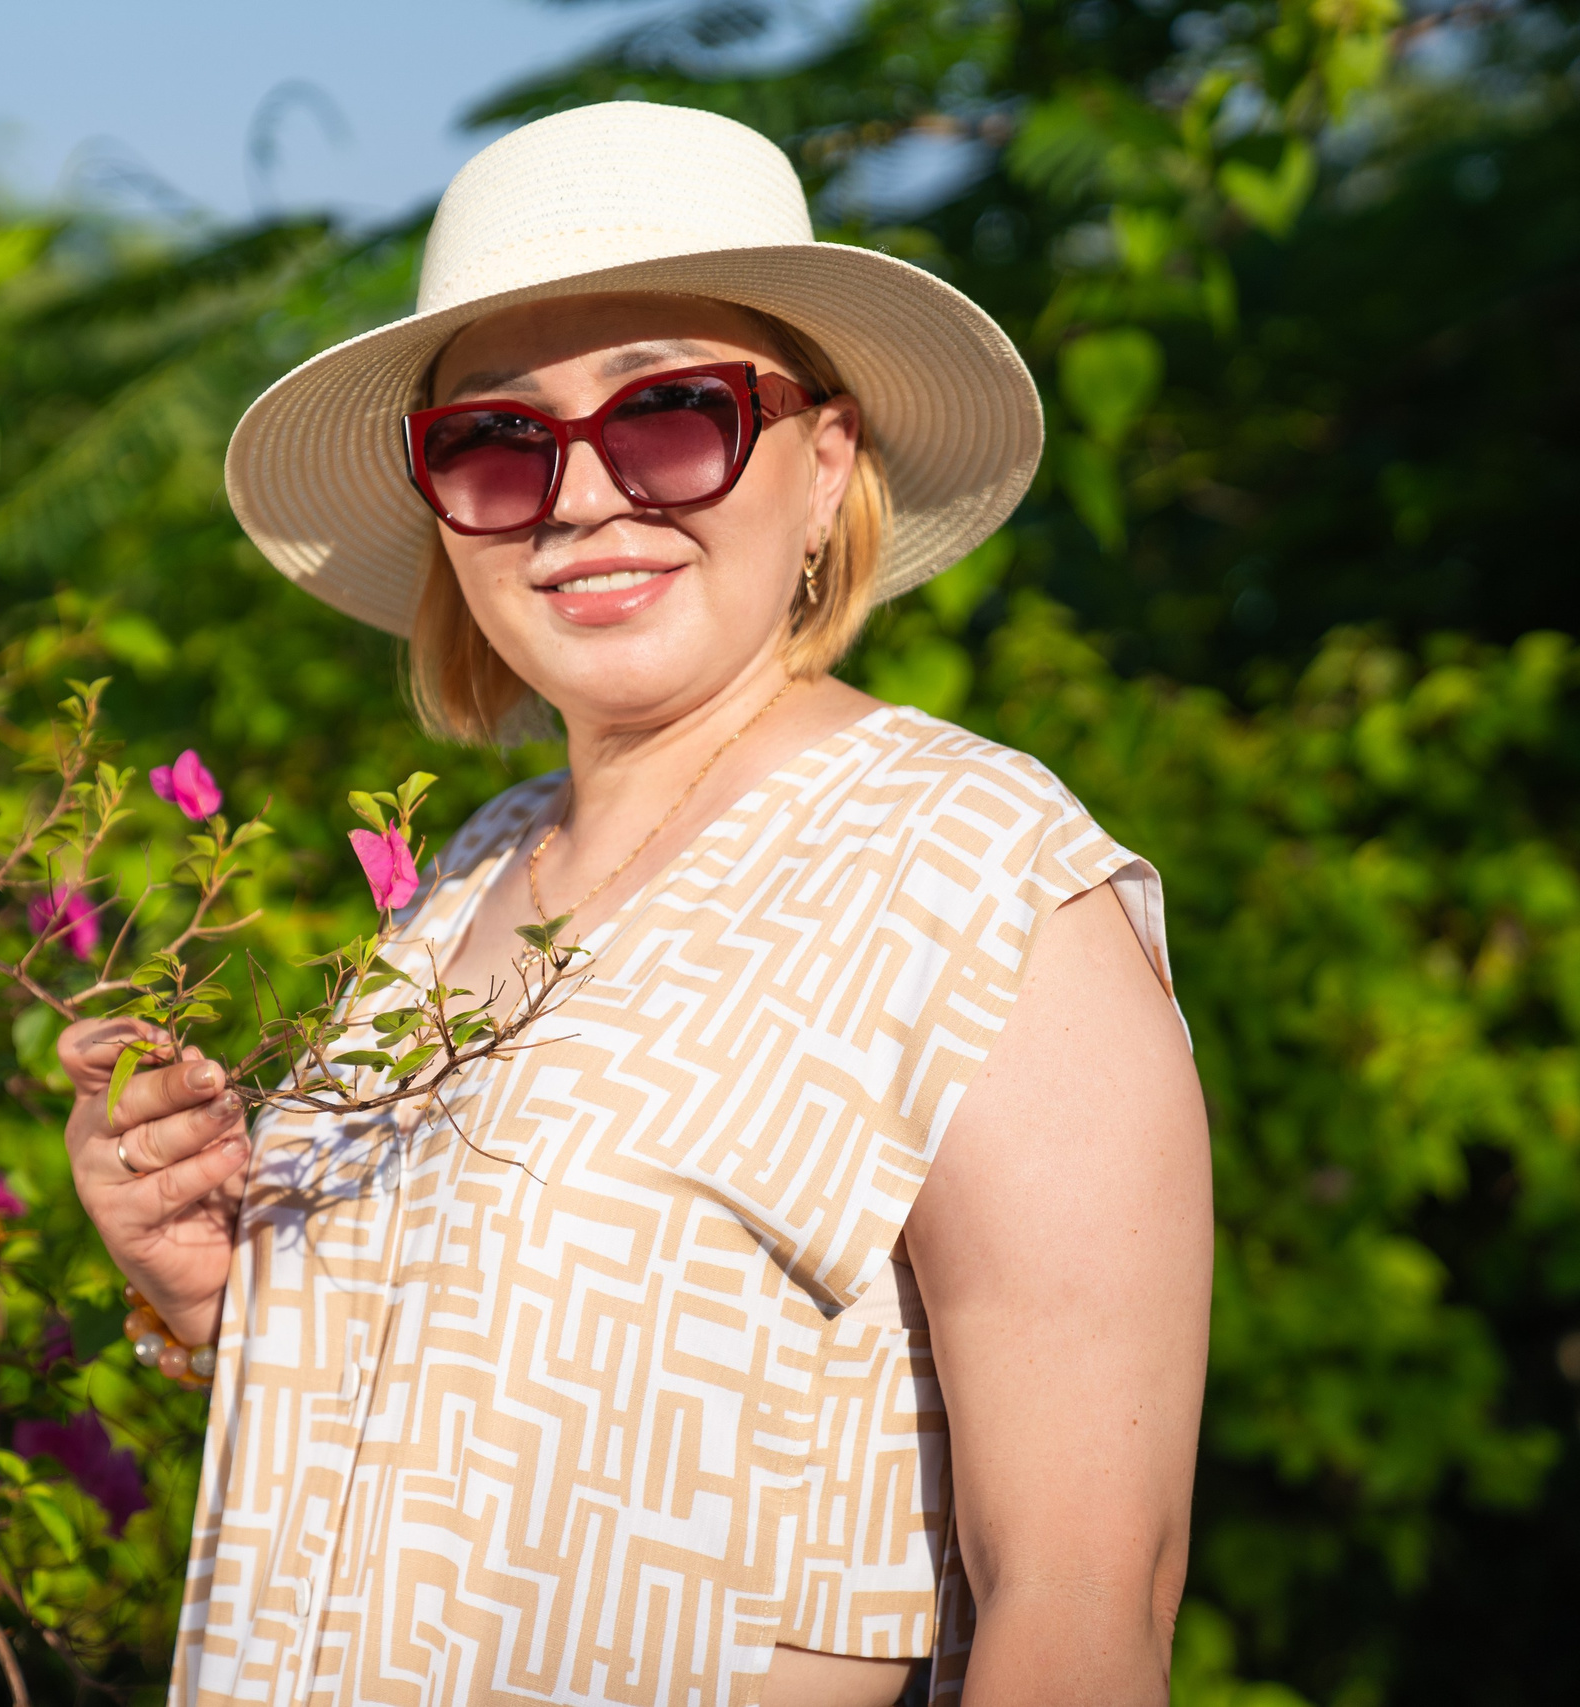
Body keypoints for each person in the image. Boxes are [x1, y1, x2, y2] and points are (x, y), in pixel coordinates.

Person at [59, 102, 1209, 1707]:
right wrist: (206, 1299)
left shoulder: (981, 876)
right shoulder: (454, 894)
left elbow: (1087, 1605)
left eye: (673, 414)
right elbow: (427, 1495)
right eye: (498, 440)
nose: (584, 497)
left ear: (824, 466)